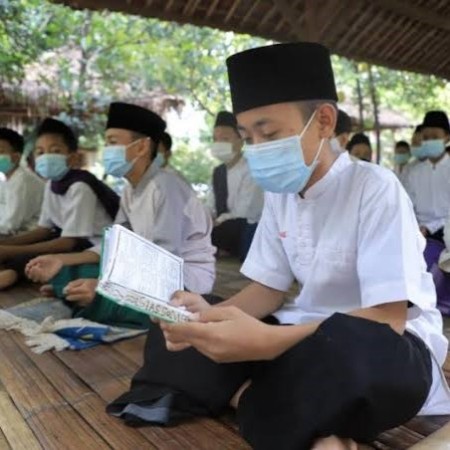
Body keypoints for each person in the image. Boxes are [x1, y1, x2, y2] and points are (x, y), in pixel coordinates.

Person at [106, 43, 450, 450]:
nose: (257, 148)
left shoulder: (374, 187)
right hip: (298, 337)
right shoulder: (281, 193)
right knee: (183, 325)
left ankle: (249, 399)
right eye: (248, 136)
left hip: (375, 344)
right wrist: (212, 318)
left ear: (323, 121)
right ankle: (294, 418)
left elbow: (387, 319)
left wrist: (265, 343)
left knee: (353, 352)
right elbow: (268, 290)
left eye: (269, 134)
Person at [26, 103, 216, 320]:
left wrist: (105, 287)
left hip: (185, 280)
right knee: (75, 273)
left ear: (142, 147)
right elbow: (115, 243)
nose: (106, 149)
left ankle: (90, 299)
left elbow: (165, 261)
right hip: (148, 272)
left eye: (113, 142)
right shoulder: (130, 189)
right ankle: (78, 292)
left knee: (99, 296)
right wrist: (62, 261)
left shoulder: (166, 186)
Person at [0, 118, 119, 290]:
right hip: (67, 239)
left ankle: (13, 274)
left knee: (32, 260)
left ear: (71, 158)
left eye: (55, 151)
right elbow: (44, 229)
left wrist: (10, 250)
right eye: (40, 152)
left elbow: (68, 242)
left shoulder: (80, 187)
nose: (46, 156)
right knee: (24, 253)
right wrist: (7, 245)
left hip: (93, 246)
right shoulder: (52, 183)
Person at [208, 111, 264, 261]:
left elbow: (244, 211)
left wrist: (218, 221)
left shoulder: (252, 168)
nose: (219, 143)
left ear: (241, 140)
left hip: (242, 225)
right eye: (215, 139)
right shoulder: (217, 172)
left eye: (225, 138)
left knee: (230, 229)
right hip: (220, 224)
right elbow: (210, 206)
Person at [406, 111, 450, 244]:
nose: (430, 141)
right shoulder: (414, 172)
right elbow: (409, 207)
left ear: (447, 137)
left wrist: (430, 227)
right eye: (426, 137)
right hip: (419, 235)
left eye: (435, 136)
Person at [0, 128, 44, 236]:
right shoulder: (9, 180)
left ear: (16, 157)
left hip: (28, 238)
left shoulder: (23, 181)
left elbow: (10, 225)